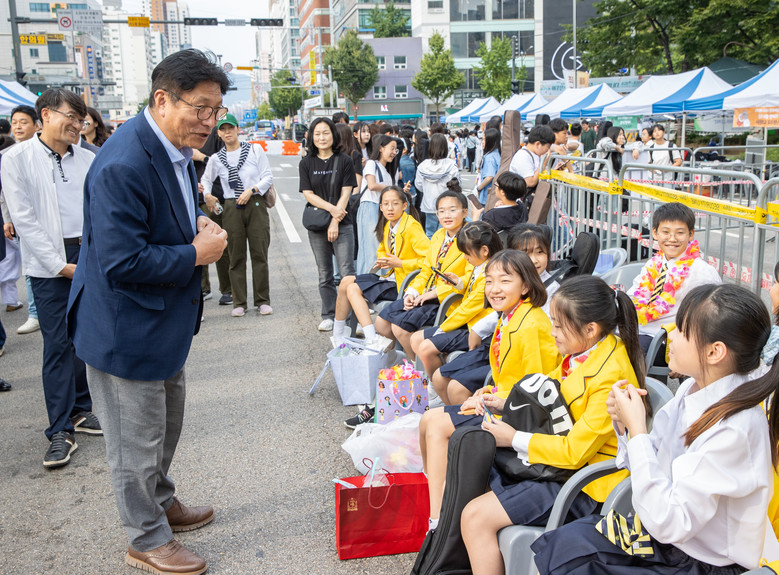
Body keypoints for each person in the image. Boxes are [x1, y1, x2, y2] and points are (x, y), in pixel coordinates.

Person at [68, 49, 229, 574]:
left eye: (216, 111)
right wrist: (195, 254)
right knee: (134, 444)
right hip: (126, 328)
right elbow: (121, 262)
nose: (210, 121)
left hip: (162, 322)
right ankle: (146, 537)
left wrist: (195, 223)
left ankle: (160, 501)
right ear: (162, 100)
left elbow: (166, 214)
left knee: (163, 426)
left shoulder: (174, 148)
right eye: (200, 109)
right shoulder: (124, 162)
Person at [533, 283, 776, 574]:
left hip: (701, 562)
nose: (670, 334)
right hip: (667, 542)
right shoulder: (692, 388)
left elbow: (669, 522)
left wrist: (637, 432)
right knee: (568, 543)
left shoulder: (734, 428)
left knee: (577, 564)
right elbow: (650, 458)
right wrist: (625, 425)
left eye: (682, 331)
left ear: (714, 352)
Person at [461, 274, 647, 574]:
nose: (552, 332)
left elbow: (574, 452)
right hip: (558, 465)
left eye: (559, 325)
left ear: (590, 329)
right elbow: (549, 390)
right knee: (475, 471)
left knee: (475, 517)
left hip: (585, 486)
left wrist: (514, 438)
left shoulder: (611, 376)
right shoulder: (588, 350)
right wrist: (505, 401)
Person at [420, 250, 561, 530]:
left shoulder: (532, 324)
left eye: (505, 281)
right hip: (502, 401)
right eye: (489, 281)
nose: (494, 289)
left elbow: (537, 389)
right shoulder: (510, 317)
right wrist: (487, 392)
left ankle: (437, 522)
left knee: (436, 426)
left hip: (517, 416)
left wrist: (493, 399)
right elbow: (512, 377)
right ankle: (437, 498)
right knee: (427, 420)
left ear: (526, 286)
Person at [3, 88, 100, 469]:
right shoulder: (16, 159)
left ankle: (81, 408)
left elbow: (99, 209)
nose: (78, 125)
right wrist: (60, 266)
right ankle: (60, 428)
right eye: (70, 117)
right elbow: (24, 219)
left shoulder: (89, 158)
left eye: (81, 119)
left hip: (88, 254)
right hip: (49, 264)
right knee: (58, 344)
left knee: (84, 337)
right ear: (46, 115)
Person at [430, 223, 560, 413]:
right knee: (440, 378)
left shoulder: (545, 305)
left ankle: (465, 420)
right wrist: (478, 329)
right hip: (497, 346)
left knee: (453, 391)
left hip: (512, 372)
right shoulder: (507, 294)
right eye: (525, 253)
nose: (533, 260)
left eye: (539, 252)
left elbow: (535, 378)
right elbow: (500, 314)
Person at [375, 190, 470, 358]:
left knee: (400, 327)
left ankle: (417, 366)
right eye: (441, 211)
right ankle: (401, 359)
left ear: (465, 212)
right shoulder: (439, 235)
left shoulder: (470, 239)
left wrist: (434, 293)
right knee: (381, 323)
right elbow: (426, 270)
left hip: (449, 301)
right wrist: (412, 292)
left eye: (452, 210)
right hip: (426, 294)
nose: (446, 215)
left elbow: (469, 279)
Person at [333, 186, 428, 349]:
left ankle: (371, 338)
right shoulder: (389, 225)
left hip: (404, 284)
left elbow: (429, 260)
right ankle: (338, 335)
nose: (390, 208)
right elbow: (382, 250)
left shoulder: (412, 227)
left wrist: (400, 263)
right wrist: (383, 259)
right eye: (386, 204)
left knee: (353, 288)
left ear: (404, 205)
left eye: (395, 203)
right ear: (381, 207)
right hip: (391, 277)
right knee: (346, 281)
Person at [410, 221, 503, 380]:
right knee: (415, 339)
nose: (465, 258)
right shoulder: (480, 264)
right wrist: (459, 282)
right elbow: (469, 283)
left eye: (467, 254)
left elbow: (468, 308)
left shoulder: (491, 275)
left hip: (477, 329)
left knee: (425, 347)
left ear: (484, 251)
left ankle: (434, 385)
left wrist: (442, 329)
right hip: (466, 322)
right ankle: (433, 381)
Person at [201, 113, 273, 317]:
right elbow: (206, 180)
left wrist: (252, 190)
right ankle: (239, 302)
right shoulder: (216, 159)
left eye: (230, 128)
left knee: (259, 254)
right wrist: (208, 195)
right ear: (218, 134)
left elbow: (267, 176)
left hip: (255, 202)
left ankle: (262, 300)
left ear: (238, 129)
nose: (227, 132)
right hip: (231, 206)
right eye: (223, 129)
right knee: (235, 256)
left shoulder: (254, 150)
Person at [628, 202, 721, 352]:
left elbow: (713, 316)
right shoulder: (654, 263)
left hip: (665, 340)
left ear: (691, 234)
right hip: (638, 328)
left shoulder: (701, 271)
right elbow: (633, 296)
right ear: (655, 233)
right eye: (665, 232)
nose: (672, 239)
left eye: (680, 233)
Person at [299, 117, 358, 332]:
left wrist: (335, 220)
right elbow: (308, 194)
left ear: (333, 135)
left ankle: (350, 319)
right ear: (311, 137)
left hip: (343, 223)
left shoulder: (344, 161)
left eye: (325, 133)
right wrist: (332, 210)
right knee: (324, 273)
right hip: (318, 225)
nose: (321, 137)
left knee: (347, 273)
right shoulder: (306, 163)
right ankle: (329, 315)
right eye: (317, 134)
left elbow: (346, 192)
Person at [3, 105, 41, 334]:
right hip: (20, 221)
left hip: (44, 217)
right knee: (29, 267)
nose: (18, 126)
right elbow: (4, 193)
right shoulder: (6, 155)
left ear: (37, 125)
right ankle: (35, 314)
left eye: (23, 122)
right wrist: (7, 219)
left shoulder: (43, 150)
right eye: (15, 122)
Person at [193, 125, 232, 306]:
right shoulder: (180, 134)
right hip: (192, 195)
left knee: (218, 241)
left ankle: (228, 289)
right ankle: (202, 288)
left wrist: (203, 157)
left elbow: (225, 161)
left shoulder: (215, 133)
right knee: (195, 244)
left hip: (215, 195)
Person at [355, 135, 402, 275]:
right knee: (371, 248)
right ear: (381, 148)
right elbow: (372, 185)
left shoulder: (387, 170)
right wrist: (393, 189)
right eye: (391, 148)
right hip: (370, 207)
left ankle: (380, 279)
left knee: (381, 246)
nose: (394, 152)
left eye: (396, 150)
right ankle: (368, 279)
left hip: (382, 209)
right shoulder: (372, 163)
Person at [415, 133, 460, 238]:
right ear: (445, 147)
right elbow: (457, 184)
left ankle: (431, 249)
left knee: (429, 233)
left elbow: (418, 185)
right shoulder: (451, 165)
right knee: (445, 233)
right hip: (446, 205)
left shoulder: (423, 166)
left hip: (428, 205)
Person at [508, 125, 555, 193]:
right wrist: (543, 164)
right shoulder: (523, 156)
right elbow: (531, 182)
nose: (548, 150)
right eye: (548, 147)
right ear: (537, 144)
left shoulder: (536, 155)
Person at [476, 128, 501, 205]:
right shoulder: (496, 154)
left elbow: (489, 177)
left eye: (484, 140)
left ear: (491, 141)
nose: (482, 142)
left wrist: (479, 188)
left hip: (487, 196)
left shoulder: (490, 157)